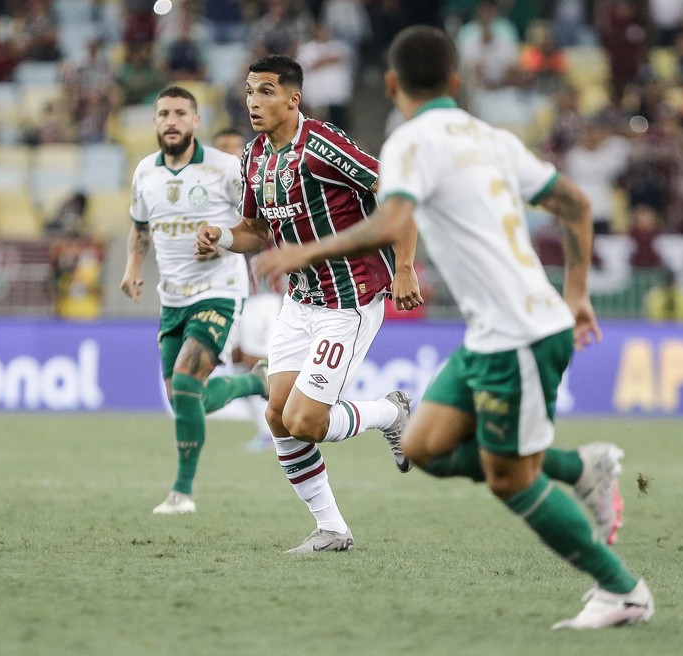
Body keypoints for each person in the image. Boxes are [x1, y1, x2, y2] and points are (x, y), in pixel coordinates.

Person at [254, 26, 654, 628]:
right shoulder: (493, 137)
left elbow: (392, 214)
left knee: (510, 480)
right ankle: (579, 467)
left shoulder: (410, 141)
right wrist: (576, 292)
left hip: (519, 330)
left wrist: (306, 253)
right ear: (457, 81)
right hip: (497, 329)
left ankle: (622, 590)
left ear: (390, 84)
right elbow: (574, 202)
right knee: (426, 449)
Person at [195, 55, 417, 554]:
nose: (254, 100)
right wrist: (222, 239)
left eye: (267, 91)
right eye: (250, 90)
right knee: (278, 416)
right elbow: (255, 230)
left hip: (350, 299)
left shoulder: (322, 146)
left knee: (306, 422)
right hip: (300, 301)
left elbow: (397, 195)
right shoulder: (254, 157)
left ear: (293, 98)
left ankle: (389, 412)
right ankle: (333, 529)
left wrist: (404, 266)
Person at [121, 86, 269, 515]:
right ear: (154, 121)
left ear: (195, 121)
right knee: (186, 398)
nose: (172, 120)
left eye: (180, 113)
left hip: (219, 292)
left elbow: (258, 229)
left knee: (186, 383)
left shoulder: (226, 169)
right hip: (173, 299)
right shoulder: (145, 172)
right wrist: (132, 267)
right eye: (163, 112)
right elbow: (139, 227)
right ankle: (255, 382)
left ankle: (181, 493)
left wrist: (222, 242)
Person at [213, 126, 278, 452]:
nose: (228, 152)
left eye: (234, 147)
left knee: (259, 361)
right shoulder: (210, 191)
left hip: (264, 293)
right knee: (239, 360)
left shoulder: (260, 182)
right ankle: (265, 431)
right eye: (222, 146)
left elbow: (269, 230)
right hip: (233, 294)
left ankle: (286, 427)